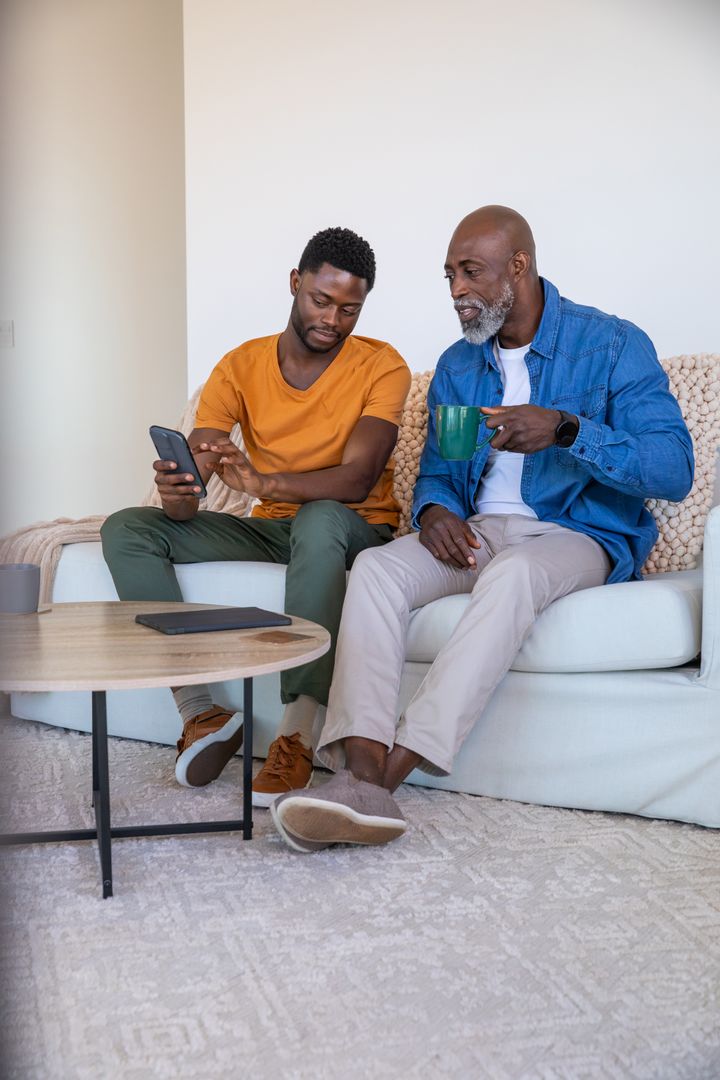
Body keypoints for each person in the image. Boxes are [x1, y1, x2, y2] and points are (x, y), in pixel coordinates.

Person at [271, 205, 695, 853]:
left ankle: (385, 777)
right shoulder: (457, 366)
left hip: (576, 533)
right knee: (379, 568)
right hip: (477, 530)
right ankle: (358, 776)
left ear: (518, 267)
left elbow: (673, 467)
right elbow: (440, 473)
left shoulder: (610, 344)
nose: (456, 291)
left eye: (471, 273)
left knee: (514, 574)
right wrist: (435, 512)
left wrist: (565, 429)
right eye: (448, 276)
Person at [101, 227, 411, 805]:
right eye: (322, 301)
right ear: (296, 284)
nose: (333, 320)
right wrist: (177, 491)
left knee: (319, 515)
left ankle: (297, 733)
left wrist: (263, 480)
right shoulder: (240, 366)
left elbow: (358, 478)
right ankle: (201, 712)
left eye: (350, 309)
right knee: (127, 528)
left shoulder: (381, 365)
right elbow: (193, 485)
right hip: (276, 529)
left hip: (355, 529)